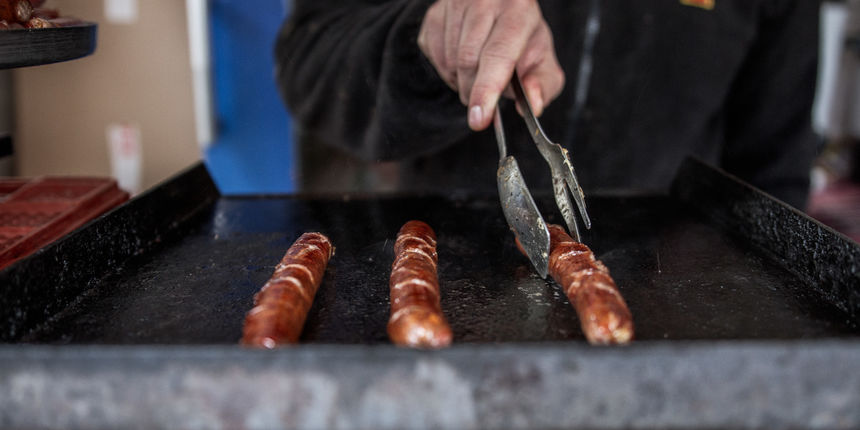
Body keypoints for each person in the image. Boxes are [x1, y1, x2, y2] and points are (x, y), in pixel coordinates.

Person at [274, 0, 820, 210]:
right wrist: (427, 40)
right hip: (445, 276)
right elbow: (310, 56)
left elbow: (773, 167)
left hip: (667, 305)